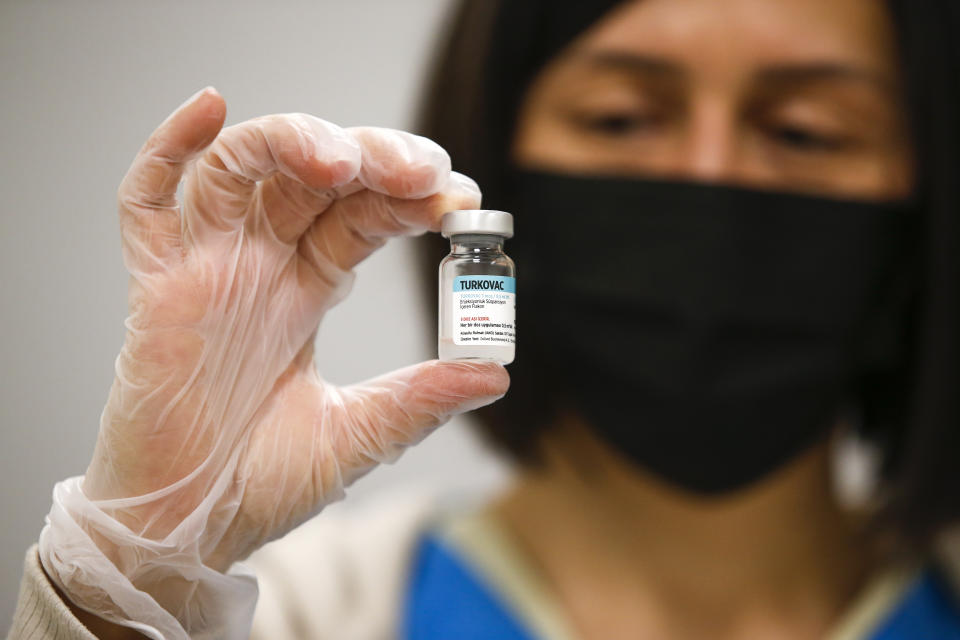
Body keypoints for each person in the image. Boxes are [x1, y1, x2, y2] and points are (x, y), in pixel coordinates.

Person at [9, 0, 960, 638]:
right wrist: (133, 572)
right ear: (493, 182)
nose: (705, 179)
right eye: (622, 118)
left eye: (807, 132)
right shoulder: (297, 617)